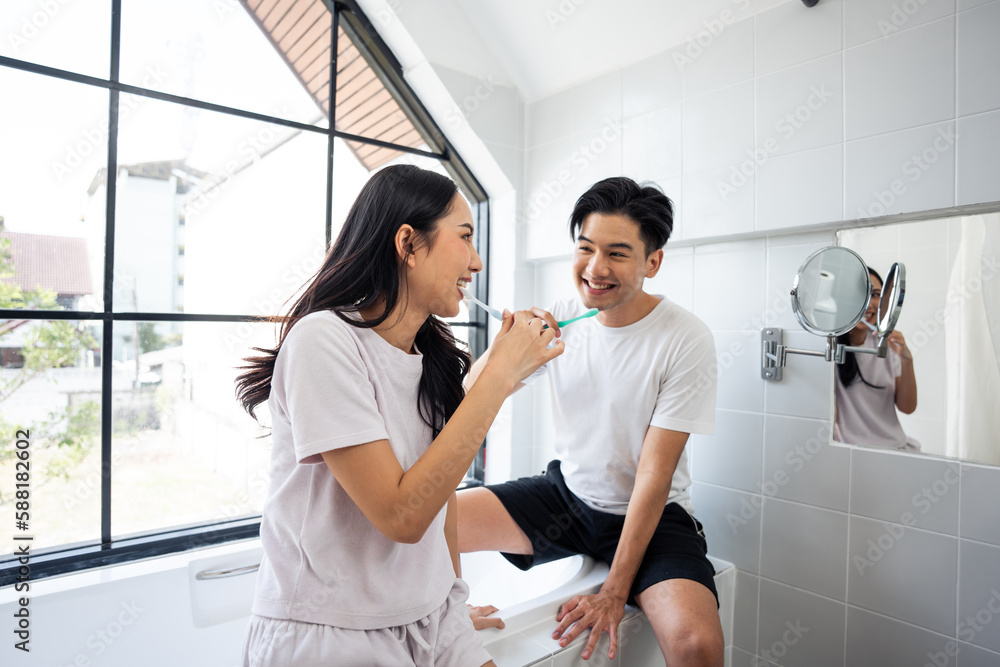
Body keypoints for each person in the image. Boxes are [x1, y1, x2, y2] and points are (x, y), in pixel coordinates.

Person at [234, 164, 563, 667]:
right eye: (465, 237)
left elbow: (440, 502)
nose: (476, 262)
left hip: (431, 621)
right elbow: (401, 515)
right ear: (408, 243)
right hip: (330, 634)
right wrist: (497, 376)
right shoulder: (323, 341)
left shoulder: (433, 359)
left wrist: (447, 600)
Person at [458, 177, 724, 666]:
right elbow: (470, 399)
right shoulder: (558, 320)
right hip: (566, 498)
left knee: (698, 646)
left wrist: (614, 591)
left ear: (653, 261)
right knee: (436, 518)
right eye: (585, 248)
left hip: (654, 517)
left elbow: (654, 474)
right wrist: (506, 347)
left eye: (617, 254)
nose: (596, 269)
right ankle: (441, 616)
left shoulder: (685, 338)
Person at [834, 266, 918, 450]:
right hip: (851, 452)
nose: (868, 304)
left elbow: (907, 407)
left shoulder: (886, 344)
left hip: (894, 448)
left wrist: (907, 361)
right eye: (858, 295)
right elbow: (830, 420)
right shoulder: (831, 348)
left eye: (875, 295)